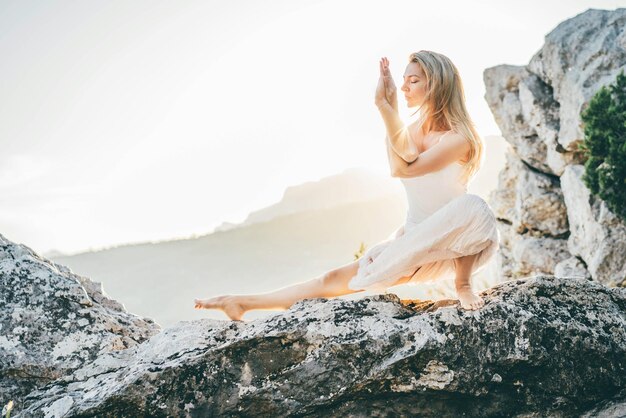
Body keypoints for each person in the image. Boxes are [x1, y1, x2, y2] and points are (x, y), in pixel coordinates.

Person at [194, 50, 500, 321]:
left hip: (460, 235)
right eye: (403, 80)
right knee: (332, 279)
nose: (404, 86)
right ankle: (240, 303)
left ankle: (463, 284)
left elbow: (405, 170)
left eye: (414, 81)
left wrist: (388, 111)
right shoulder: (413, 130)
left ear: (437, 84)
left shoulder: (460, 138)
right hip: (415, 236)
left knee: (472, 207)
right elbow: (403, 158)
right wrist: (385, 106)